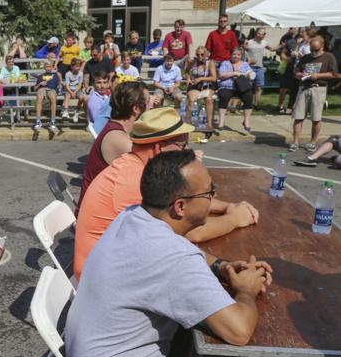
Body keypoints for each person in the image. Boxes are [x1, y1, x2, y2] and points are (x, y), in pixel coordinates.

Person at [66, 148, 268, 357]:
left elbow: (182, 253)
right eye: (209, 192)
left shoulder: (134, 216)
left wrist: (222, 266)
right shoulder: (170, 256)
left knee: (186, 331)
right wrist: (245, 291)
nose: (214, 196)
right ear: (180, 206)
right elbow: (239, 331)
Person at [73, 107, 259, 279]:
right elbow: (188, 231)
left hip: (115, 266)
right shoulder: (135, 181)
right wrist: (234, 219)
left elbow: (184, 202)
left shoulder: (138, 166)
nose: (188, 152)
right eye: (183, 146)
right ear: (158, 148)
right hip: (104, 281)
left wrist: (228, 206)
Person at [75, 81, 152, 211]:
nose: (152, 105)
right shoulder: (117, 138)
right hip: (97, 221)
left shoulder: (117, 129)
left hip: (102, 209)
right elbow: (153, 167)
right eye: (148, 101)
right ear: (136, 109)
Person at [290, 36, 338, 153]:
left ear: (322, 46)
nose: (313, 52)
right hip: (304, 87)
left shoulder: (329, 57)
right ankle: (295, 142)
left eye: (316, 50)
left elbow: (334, 74)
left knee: (316, 118)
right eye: (312, 49)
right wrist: (299, 75)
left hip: (319, 88)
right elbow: (295, 71)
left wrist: (318, 76)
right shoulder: (306, 58)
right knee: (298, 117)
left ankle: (313, 142)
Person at [217, 48, 256, 132]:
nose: (236, 56)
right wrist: (234, 73)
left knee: (248, 95)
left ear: (241, 56)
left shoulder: (245, 64)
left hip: (241, 87)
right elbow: (221, 75)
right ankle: (221, 122)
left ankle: (247, 121)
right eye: (234, 54)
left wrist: (248, 75)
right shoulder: (225, 63)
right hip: (227, 86)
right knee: (224, 95)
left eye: (238, 55)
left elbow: (249, 73)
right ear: (231, 55)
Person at [184, 46, 217, 128]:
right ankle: (188, 121)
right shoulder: (193, 62)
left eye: (202, 54)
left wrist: (201, 78)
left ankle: (209, 123)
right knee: (191, 100)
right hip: (195, 85)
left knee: (209, 100)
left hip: (207, 85)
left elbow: (214, 78)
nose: (200, 57)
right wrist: (188, 78)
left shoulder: (210, 63)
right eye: (198, 54)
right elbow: (186, 71)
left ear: (206, 54)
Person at [244, 28, 276, 107]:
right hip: (250, 67)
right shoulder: (249, 42)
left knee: (259, 87)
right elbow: (242, 50)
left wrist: (281, 46)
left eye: (264, 34)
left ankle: (257, 104)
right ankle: (247, 103)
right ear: (256, 33)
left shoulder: (264, 43)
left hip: (259, 67)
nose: (262, 36)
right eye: (260, 34)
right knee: (248, 87)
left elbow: (271, 49)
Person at [31, 61, 62, 137]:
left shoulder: (55, 75)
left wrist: (59, 86)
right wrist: (40, 84)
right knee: (39, 97)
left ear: (52, 68)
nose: (48, 68)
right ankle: (38, 121)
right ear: (44, 68)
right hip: (42, 89)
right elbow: (35, 88)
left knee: (53, 97)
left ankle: (53, 121)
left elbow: (59, 85)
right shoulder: (41, 76)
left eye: (50, 66)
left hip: (51, 89)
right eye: (47, 67)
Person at [62, 58, 86, 123]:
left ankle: (77, 111)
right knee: (67, 96)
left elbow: (79, 84)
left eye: (79, 66)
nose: (78, 68)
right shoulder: (68, 74)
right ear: (72, 67)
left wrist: (75, 92)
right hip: (69, 89)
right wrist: (71, 92)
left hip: (77, 90)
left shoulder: (80, 73)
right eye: (76, 66)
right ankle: (66, 111)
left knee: (82, 98)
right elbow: (67, 85)